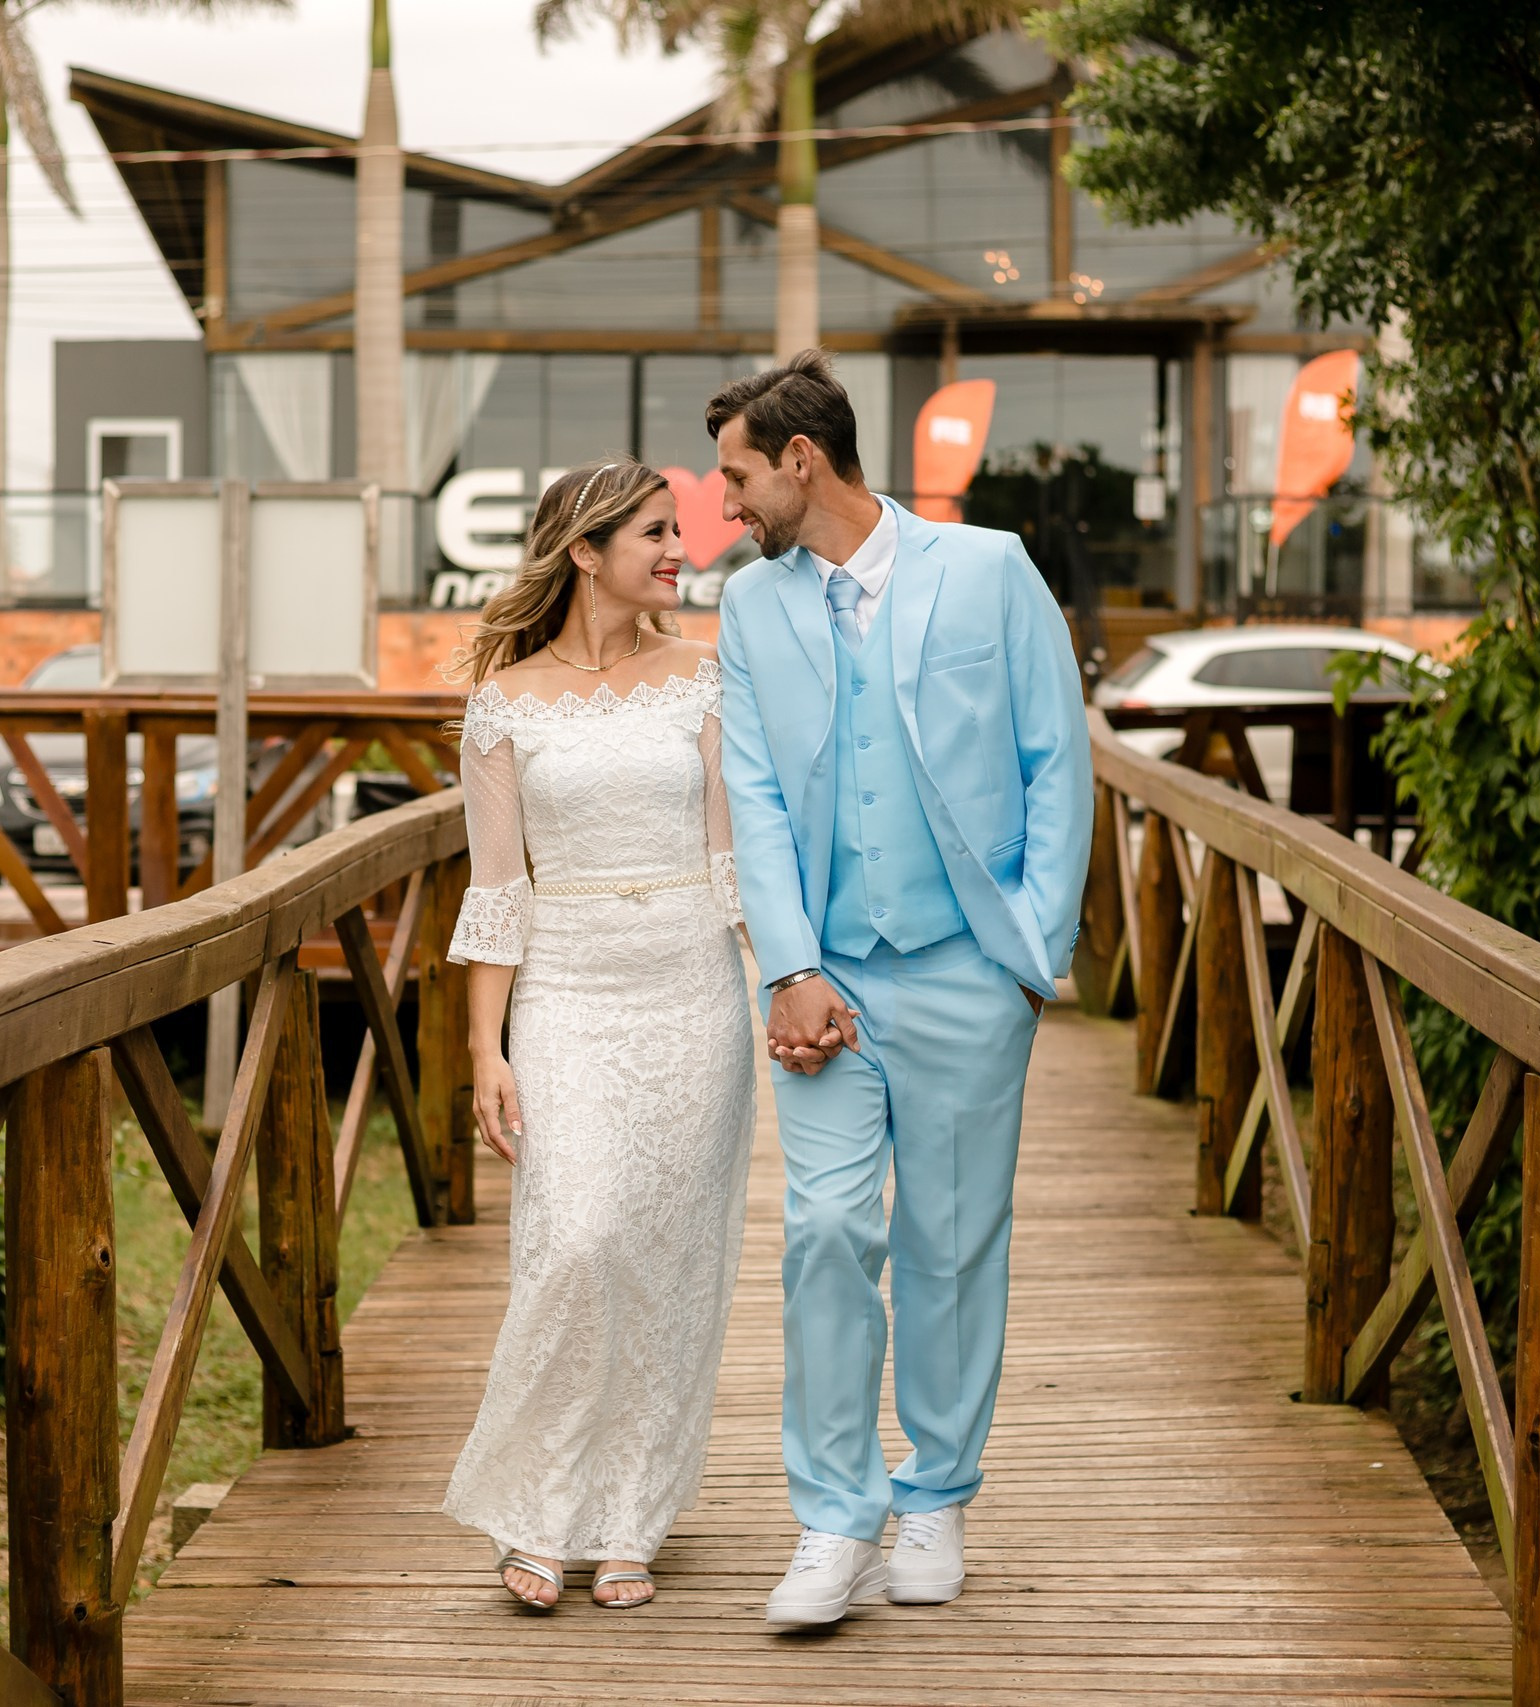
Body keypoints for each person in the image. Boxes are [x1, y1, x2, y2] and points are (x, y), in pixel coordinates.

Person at [708, 352, 1090, 1628]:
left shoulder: (988, 569)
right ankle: (833, 1518)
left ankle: (935, 1497)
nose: (723, 503)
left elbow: (1055, 759)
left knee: (952, 1244)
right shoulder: (750, 608)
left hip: (969, 971)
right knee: (824, 1232)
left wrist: (1030, 957)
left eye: (736, 475)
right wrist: (790, 966)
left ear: (800, 460)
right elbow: (754, 795)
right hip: (826, 986)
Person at [439, 459, 757, 1612]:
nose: (680, 551)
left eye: (679, 531)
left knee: (668, 1257)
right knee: (576, 1237)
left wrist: (793, 985)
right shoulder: (504, 703)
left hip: (693, 992)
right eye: (656, 533)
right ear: (584, 551)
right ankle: (535, 1512)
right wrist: (486, 1050)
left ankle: (630, 1515)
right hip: (567, 995)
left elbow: (733, 857)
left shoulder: (705, 679)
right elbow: (496, 891)